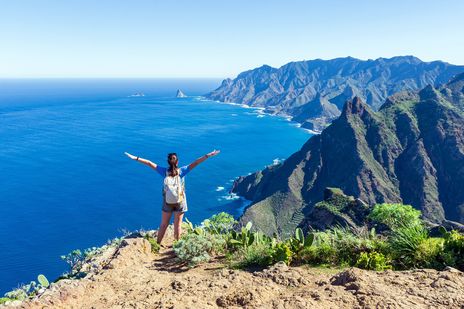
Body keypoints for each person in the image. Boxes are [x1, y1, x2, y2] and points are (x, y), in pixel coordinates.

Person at [124, 150, 220, 245]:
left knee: (164, 224)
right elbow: (196, 162)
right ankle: (177, 246)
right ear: (177, 161)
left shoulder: (164, 172)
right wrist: (208, 155)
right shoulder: (182, 171)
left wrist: (135, 158)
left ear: (168, 162)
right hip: (180, 201)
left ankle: (157, 245)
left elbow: (149, 163)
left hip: (167, 202)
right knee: (177, 225)